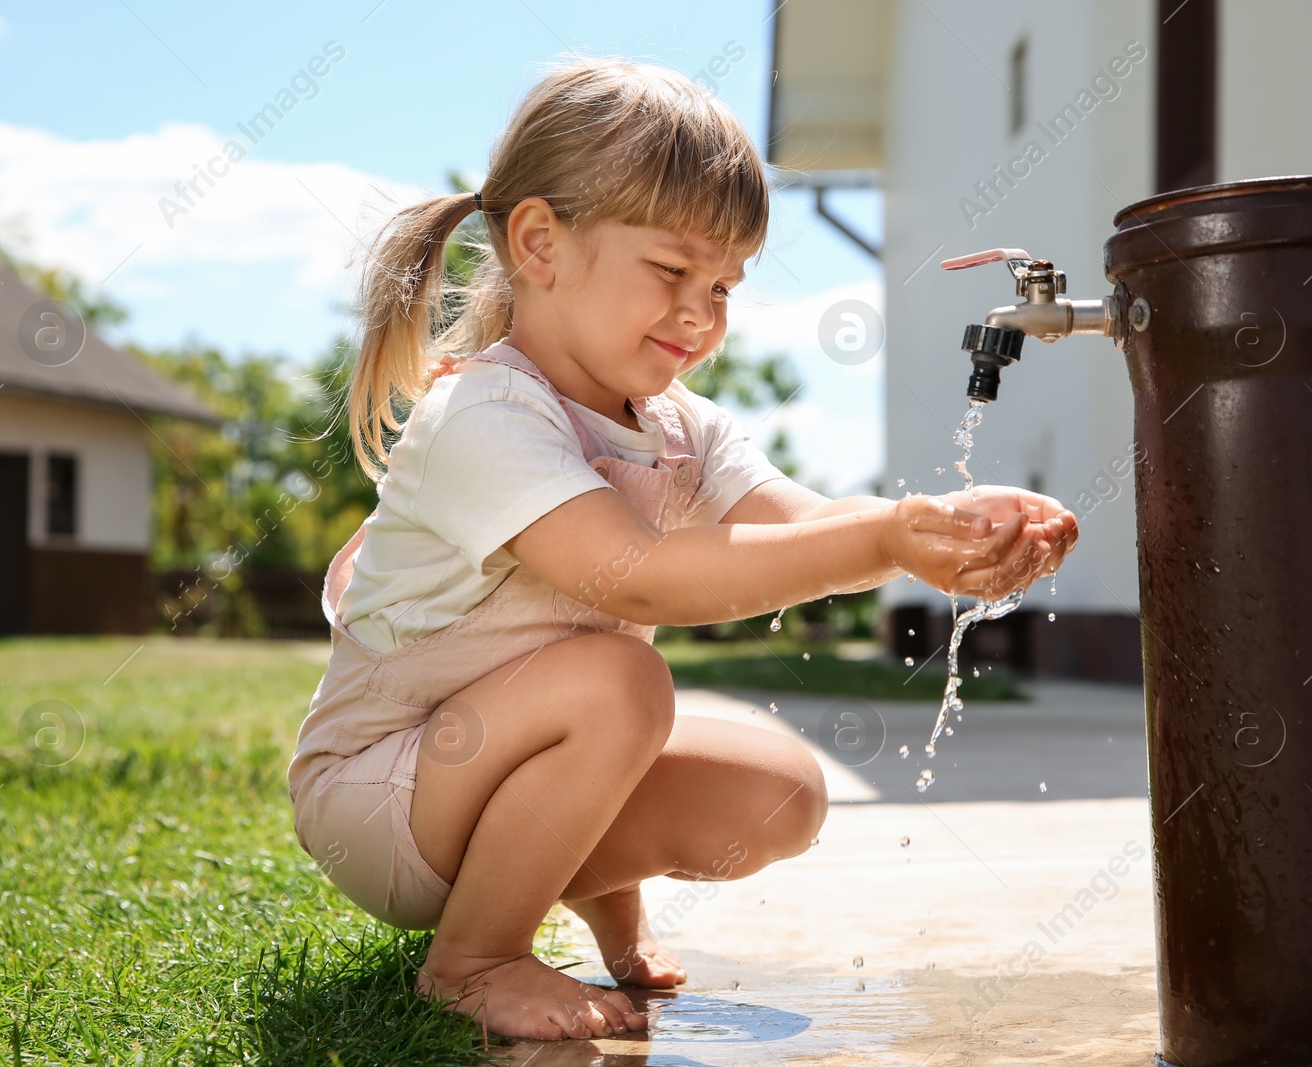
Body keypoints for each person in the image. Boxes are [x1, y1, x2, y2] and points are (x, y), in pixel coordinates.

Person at [286, 56, 1078, 1043]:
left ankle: (587, 888)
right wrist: (881, 539)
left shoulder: (677, 426)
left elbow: (802, 518)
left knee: (781, 793)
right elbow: (638, 576)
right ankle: (472, 959)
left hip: (480, 781)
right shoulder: (484, 411)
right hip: (382, 799)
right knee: (619, 677)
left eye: (724, 283)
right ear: (539, 242)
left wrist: (940, 527)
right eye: (670, 271)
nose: (701, 314)